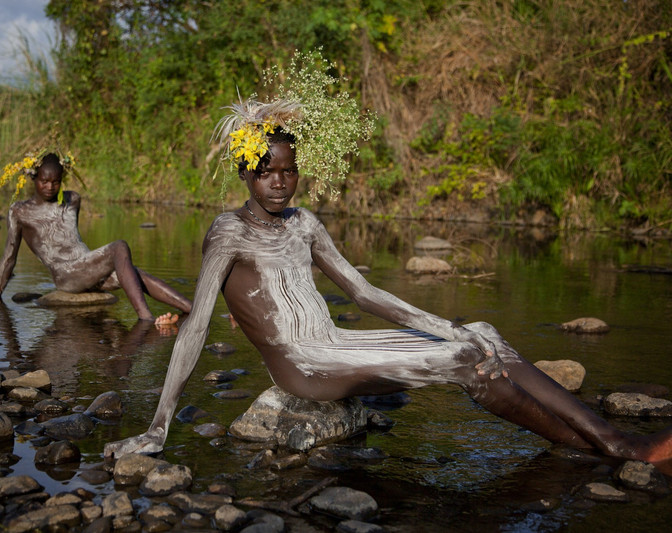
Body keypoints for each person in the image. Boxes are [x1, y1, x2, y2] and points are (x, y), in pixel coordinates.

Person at [104, 90, 672, 465]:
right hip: (305, 364)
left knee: (482, 333)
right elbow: (198, 326)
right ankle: (603, 450)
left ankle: (609, 441)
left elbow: (363, 291)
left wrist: (446, 323)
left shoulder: (305, 224)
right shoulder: (228, 233)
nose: (280, 183)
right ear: (245, 174)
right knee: (462, 360)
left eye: (289, 170)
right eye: (266, 172)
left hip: (338, 344)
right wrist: (158, 426)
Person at [0, 152, 192, 324]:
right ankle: (146, 318)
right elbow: (9, 255)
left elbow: (72, 239)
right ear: (33, 178)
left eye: (56, 182)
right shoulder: (20, 211)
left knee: (133, 273)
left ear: (62, 179)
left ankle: (192, 309)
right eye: (44, 181)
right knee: (119, 247)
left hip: (87, 268)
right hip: (66, 275)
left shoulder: (72, 199)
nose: (50, 187)